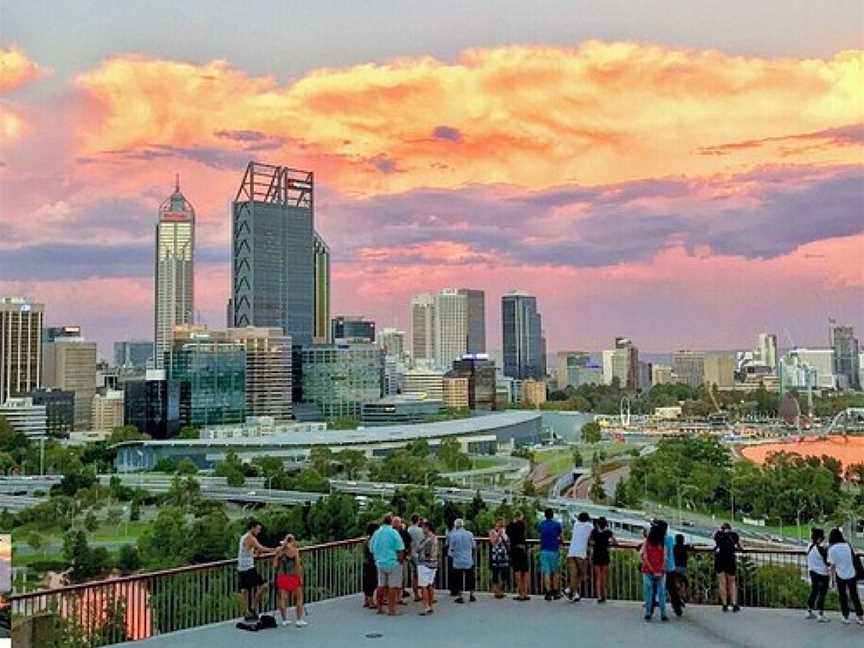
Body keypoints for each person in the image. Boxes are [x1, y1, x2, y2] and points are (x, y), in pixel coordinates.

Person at [236, 519, 273, 622]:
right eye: (258, 529)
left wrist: (255, 554)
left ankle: (247, 612)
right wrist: (275, 550)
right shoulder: (250, 538)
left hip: (241, 567)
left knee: (244, 590)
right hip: (248, 568)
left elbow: (247, 552)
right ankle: (252, 607)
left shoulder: (243, 537)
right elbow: (261, 547)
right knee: (264, 586)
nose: (259, 531)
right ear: (252, 528)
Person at [369, 514, 406, 616]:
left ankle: (380, 608)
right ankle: (391, 609)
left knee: (381, 585)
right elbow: (400, 548)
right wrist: (400, 561)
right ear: (391, 522)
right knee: (392, 587)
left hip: (380, 562)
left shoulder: (377, 533)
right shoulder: (394, 533)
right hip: (393, 562)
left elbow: (371, 548)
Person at [827, 528, 864, 625]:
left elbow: (832, 566)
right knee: (854, 595)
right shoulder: (847, 545)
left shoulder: (831, 549)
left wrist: (832, 580)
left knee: (843, 596)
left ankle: (845, 616)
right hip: (851, 573)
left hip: (840, 575)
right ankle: (860, 617)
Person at [273, 534, 307, 627]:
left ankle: (284, 620)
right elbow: (297, 566)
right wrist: (300, 577)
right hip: (293, 577)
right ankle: (299, 620)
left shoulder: (279, 550)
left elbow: (275, 565)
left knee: (283, 598)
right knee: (299, 598)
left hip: (282, 577)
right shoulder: (295, 551)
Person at [641, 522, 668, 622]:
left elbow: (645, 556)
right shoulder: (662, 542)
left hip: (647, 570)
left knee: (648, 592)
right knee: (661, 593)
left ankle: (648, 613)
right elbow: (665, 557)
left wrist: (651, 568)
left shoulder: (647, 542)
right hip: (660, 572)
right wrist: (660, 569)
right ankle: (663, 614)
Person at [713, 522, 742, 613]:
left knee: (722, 583)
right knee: (732, 582)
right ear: (730, 528)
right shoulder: (734, 535)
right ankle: (734, 604)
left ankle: (724, 605)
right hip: (730, 559)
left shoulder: (718, 534)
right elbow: (741, 547)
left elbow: (714, 538)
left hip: (719, 559)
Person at [565, 511, 593, 601]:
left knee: (574, 574)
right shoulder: (589, 526)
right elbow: (591, 537)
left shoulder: (576, 525)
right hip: (581, 553)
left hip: (571, 552)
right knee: (582, 574)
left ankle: (573, 593)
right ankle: (570, 589)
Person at [448, 518, 476, 603]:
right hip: (468, 559)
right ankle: (472, 595)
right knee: (470, 577)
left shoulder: (453, 535)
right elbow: (474, 546)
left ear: (455, 526)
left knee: (458, 578)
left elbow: (451, 548)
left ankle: (460, 596)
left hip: (458, 560)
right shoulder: (470, 534)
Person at [537, 508, 563, 600]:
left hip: (544, 550)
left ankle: (548, 592)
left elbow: (540, 535)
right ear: (552, 515)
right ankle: (555, 592)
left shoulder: (541, 525)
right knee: (555, 572)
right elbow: (561, 537)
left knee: (546, 572)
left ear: (545, 515)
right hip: (554, 550)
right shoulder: (557, 525)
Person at [658, 520, 682, 617]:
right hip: (671, 567)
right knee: (672, 589)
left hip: (660, 567)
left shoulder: (659, 540)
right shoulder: (670, 539)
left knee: (658, 588)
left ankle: (654, 606)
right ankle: (677, 608)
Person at [805, 528, 830, 622]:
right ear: (819, 539)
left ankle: (809, 611)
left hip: (812, 571)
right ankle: (820, 614)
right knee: (822, 594)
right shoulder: (821, 549)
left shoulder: (809, 546)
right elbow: (828, 562)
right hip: (822, 574)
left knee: (814, 591)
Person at [416, 520, 439, 616]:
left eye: (423, 527)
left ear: (427, 528)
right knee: (430, 585)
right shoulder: (435, 537)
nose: (422, 529)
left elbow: (421, 550)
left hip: (425, 564)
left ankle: (425, 607)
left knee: (424, 586)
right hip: (433, 564)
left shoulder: (427, 539)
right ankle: (430, 606)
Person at [590, 517, 615, 603]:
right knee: (604, 576)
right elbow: (614, 542)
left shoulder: (594, 532)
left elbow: (591, 542)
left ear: (597, 524)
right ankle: (604, 594)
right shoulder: (608, 532)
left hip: (596, 554)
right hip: (605, 554)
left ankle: (599, 596)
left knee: (598, 577)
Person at [506, 511, 530, 601]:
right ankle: (525, 593)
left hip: (514, 549)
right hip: (522, 549)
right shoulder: (521, 524)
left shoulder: (510, 526)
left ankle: (520, 593)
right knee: (525, 571)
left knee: (517, 570)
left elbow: (508, 534)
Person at [488, 518, 510, 599]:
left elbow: (507, 541)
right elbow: (493, 542)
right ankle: (496, 591)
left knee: (504, 573)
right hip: (495, 554)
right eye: (499, 523)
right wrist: (498, 535)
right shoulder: (492, 531)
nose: (501, 524)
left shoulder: (505, 531)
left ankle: (501, 590)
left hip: (504, 555)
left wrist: (503, 534)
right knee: (495, 573)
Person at [393, 516, 412, 602]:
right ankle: (393, 596)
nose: (397, 524)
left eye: (398, 522)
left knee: (402, 577)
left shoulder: (404, 533)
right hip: (392, 559)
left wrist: (408, 555)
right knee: (392, 578)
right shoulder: (391, 533)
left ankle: (401, 594)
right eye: (395, 522)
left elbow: (409, 543)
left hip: (402, 558)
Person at [407, 514, 426, 602]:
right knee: (422, 575)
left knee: (414, 575)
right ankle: (424, 593)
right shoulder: (420, 530)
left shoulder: (408, 529)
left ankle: (416, 595)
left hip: (411, 554)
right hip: (419, 554)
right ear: (418, 520)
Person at [672, 534, 691, 613]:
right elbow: (690, 546)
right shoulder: (685, 547)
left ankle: (678, 598)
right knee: (682, 582)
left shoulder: (674, 547)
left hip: (675, 568)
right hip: (683, 568)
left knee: (676, 584)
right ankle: (682, 596)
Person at [362, 522, 379, 609]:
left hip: (366, 563)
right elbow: (373, 551)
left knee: (366, 581)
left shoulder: (366, 539)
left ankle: (366, 600)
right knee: (371, 582)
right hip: (371, 563)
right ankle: (371, 601)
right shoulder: (371, 540)